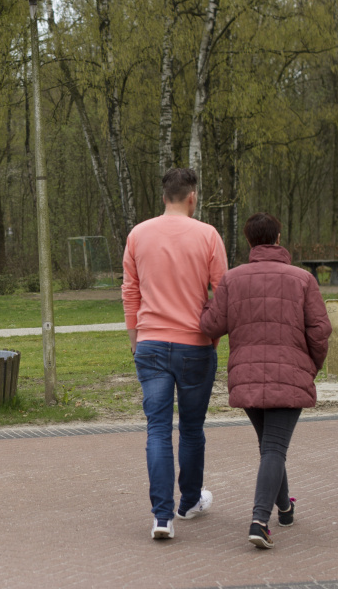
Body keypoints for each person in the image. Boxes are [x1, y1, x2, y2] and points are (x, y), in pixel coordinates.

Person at [199, 212, 331, 549]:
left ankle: (284, 508)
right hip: (290, 375)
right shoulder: (303, 279)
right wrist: (309, 367)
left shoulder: (232, 280)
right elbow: (319, 330)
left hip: (246, 378)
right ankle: (259, 520)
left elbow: (211, 326)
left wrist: (201, 304)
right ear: (278, 236)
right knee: (273, 448)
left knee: (270, 447)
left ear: (248, 240)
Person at [122, 168, 228, 540]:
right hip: (195, 345)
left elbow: (130, 292)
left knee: (157, 431)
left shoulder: (138, 234)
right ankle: (189, 502)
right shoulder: (208, 235)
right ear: (192, 197)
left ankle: (162, 516)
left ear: (164, 196)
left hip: (150, 344)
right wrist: (212, 338)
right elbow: (222, 294)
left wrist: (136, 337)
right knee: (192, 429)